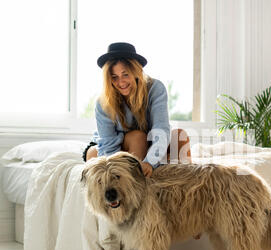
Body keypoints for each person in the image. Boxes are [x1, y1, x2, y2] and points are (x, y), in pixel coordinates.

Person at [82, 42, 191, 177]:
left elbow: (161, 130)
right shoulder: (103, 102)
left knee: (179, 137)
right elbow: (108, 146)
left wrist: (150, 162)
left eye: (125, 74)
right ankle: (134, 183)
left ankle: (176, 183)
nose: (121, 82)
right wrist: (116, 173)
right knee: (135, 138)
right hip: (109, 146)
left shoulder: (155, 89)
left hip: (148, 142)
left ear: (136, 71)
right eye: (114, 77)